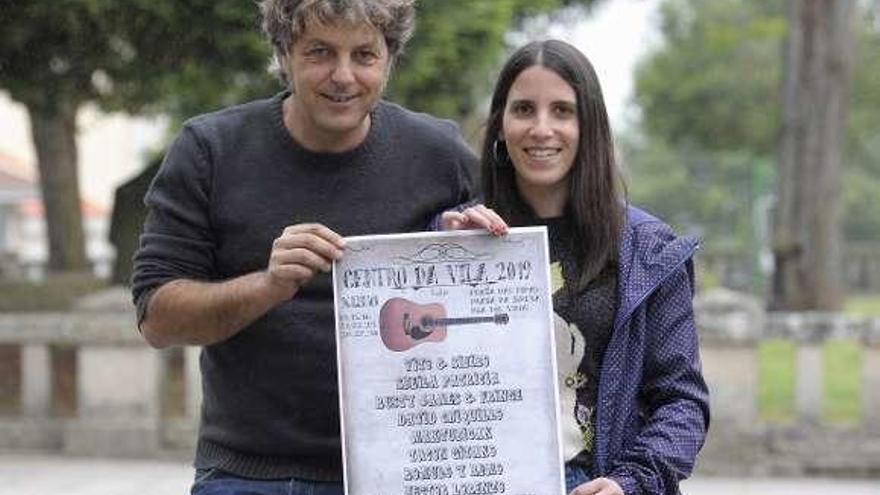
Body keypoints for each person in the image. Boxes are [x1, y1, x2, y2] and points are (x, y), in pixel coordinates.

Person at [131, 1, 476, 493]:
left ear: (389, 60)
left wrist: (476, 241)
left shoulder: (441, 154)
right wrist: (267, 287)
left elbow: (507, 296)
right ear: (283, 55)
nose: (343, 76)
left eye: (364, 55)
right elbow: (157, 318)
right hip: (249, 471)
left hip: (407, 468)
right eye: (319, 52)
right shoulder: (209, 149)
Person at [440, 40, 710, 495]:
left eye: (562, 111)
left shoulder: (647, 249)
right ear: (501, 127)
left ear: (589, 126)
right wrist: (445, 264)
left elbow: (682, 401)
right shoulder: (451, 235)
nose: (541, 128)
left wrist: (630, 482)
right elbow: (414, 384)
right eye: (524, 109)